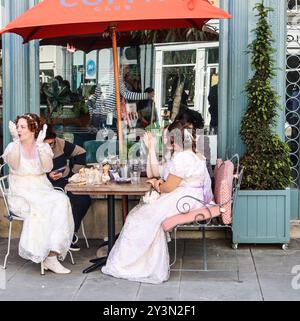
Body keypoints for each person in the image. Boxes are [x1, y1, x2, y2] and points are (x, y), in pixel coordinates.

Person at [101, 121, 213, 284]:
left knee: (141, 217)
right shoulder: (181, 154)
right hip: (185, 196)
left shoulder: (184, 158)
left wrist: (156, 184)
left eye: (167, 136)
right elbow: (154, 171)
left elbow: (167, 187)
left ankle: (137, 265)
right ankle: (137, 261)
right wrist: (151, 148)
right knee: (141, 215)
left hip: (187, 199)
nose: (164, 138)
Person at [2, 113, 74, 274]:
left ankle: (52, 253)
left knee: (61, 200)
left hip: (41, 188)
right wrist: (15, 142)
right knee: (44, 205)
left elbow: (47, 168)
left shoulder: (43, 146)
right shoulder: (12, 147)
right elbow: (13, 164)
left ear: (33, 129)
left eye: (22, 127)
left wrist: (41, 146)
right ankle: (43, 253)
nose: (19, 130)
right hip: (21, 192)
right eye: (17, 127)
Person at [43, 125, 91, 251]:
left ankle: (69, 235)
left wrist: (73, 174)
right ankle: (60, 238)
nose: (50, 147)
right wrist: (48, 175)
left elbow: (81, 152)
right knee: (62, 204)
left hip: (63, 182)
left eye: (52, 143)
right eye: (46, 144)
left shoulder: (60, 143)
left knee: (84, 199)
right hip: (44, 185)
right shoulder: (34, 149)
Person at [87, 74, 154, 130]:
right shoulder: (116, 81)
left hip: (109, 119)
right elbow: (127, 94)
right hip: (110, 119)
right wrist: (146, 95)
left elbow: (91, 114)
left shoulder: (94, 98)